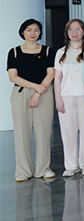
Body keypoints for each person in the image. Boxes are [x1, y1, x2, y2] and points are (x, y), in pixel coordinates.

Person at [7, 19, 56, 181]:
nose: (33, 33)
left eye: (36, 30)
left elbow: (51, 73)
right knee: (21, 132)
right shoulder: (14, 52)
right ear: (23, 32)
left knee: (43, 131)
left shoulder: (48, 51)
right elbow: (13, 77)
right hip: (21, 93)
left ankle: (44, 168)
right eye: (29, 30)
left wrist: (38, 92)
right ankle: (23, 170)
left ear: (40, 33)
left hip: (44, 93)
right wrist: (36, 87)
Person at [53, 19, 84, 177]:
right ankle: (71, 165)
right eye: (71, 29)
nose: (74, 32)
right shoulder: (61, 52)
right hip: (66, 96)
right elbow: (57, 77)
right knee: (68, 131)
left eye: (78, 29)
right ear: (67, 32)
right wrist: (58, 98)